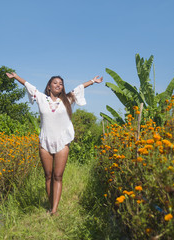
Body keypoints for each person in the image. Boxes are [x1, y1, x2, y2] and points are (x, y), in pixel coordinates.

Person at [6, 72, 103, 216]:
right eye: (55, 83)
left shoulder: (67, 99)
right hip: (45, 142)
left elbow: (79, 87)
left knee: (58, 176)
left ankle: (54, 210)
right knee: (48, 175)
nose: (59, 85)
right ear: (49, 87)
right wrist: (16, 77)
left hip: (62, 142)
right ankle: (51, 204)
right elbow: (28, 85)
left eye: (61, 83)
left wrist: (92, 81)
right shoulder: (41, 98)